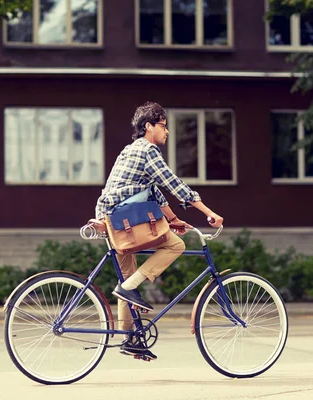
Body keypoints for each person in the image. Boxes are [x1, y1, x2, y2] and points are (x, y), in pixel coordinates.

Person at [94, 101, 224, 361]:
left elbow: (154, 191)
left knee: (127, 277)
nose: (166, 132)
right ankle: (129, 289)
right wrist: (208, 212)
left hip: (113, 218)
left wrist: (174, 219)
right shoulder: (148, 150)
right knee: (176, 246)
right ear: (148, 127)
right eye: (163, 126)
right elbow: (172, 183)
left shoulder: (132, 150)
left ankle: (131, 339)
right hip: (122, 219)